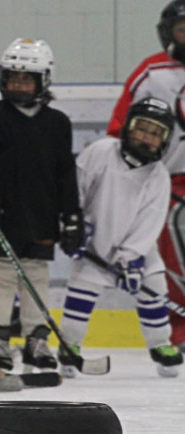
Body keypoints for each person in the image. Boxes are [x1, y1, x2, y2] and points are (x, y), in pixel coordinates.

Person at [0, 38, 84, 373]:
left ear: (43, 81)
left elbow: (64, 174)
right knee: (0, 277)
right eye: (12, 78)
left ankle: (36, 339)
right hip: (0, 217)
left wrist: (71, 216)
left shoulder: (57, 123)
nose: (18, 84)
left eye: (26, 79)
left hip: (41, 216)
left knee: (36, 276)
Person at [60, 97, 184, 378]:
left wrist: (131, 259)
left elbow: (149, 224)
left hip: (138, 251)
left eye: (155, 134)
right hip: (94, 245)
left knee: (154, 288)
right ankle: (70, 345)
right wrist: (73, 225)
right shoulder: (101, 152)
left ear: (165, 141)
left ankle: (160, 344)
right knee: (80, 296)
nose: (147, 138)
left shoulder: (159, 176)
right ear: (128, 127)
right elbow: (75, 191)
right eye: (142, 129)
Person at [108, 0, 185, 354]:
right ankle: (179, 330)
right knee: (173, 255)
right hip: (166, 183)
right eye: (183, 29)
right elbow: (118, 129)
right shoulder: (151, 73)